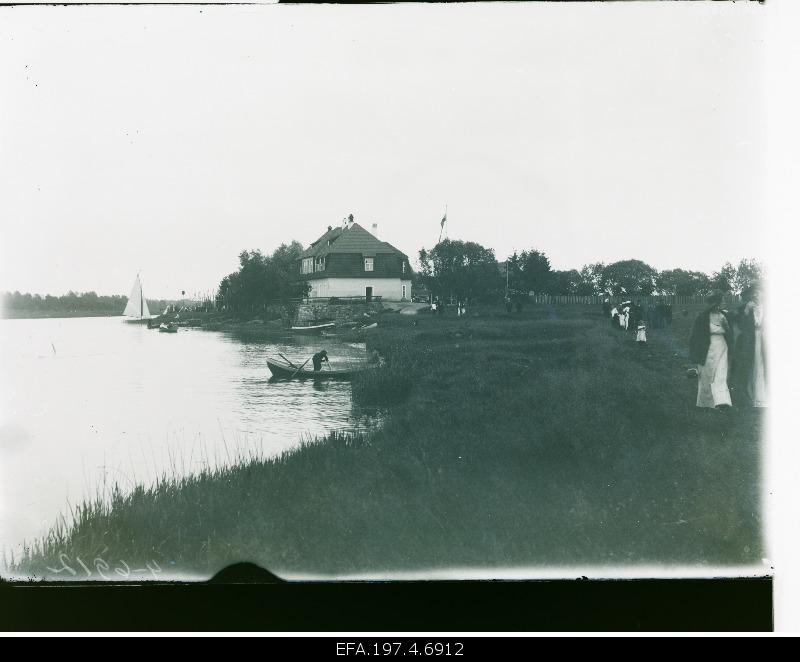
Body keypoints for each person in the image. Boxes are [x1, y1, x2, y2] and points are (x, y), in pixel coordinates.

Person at [689, 292, 734, 410]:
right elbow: (695, 336)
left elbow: (730, 335)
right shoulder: (703, 317)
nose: (725, 302)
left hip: (722, 348)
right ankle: (706, 403)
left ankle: (721, 403)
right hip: (707, 349)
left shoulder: (725, 316)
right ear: (716, 303)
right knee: (707, 375)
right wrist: (695, 355)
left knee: (721, 375)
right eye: (723, 301)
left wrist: (726, 326)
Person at [731, 285, 767, 408]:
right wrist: (746, 310)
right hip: (749, 341)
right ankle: (751, 397)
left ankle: (764, 397)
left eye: (758, 291)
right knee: (751, 366)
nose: (755, 295)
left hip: (766, 340)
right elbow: (740, 326)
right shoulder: (744, 308)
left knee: (764, 366)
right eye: (753, 293)